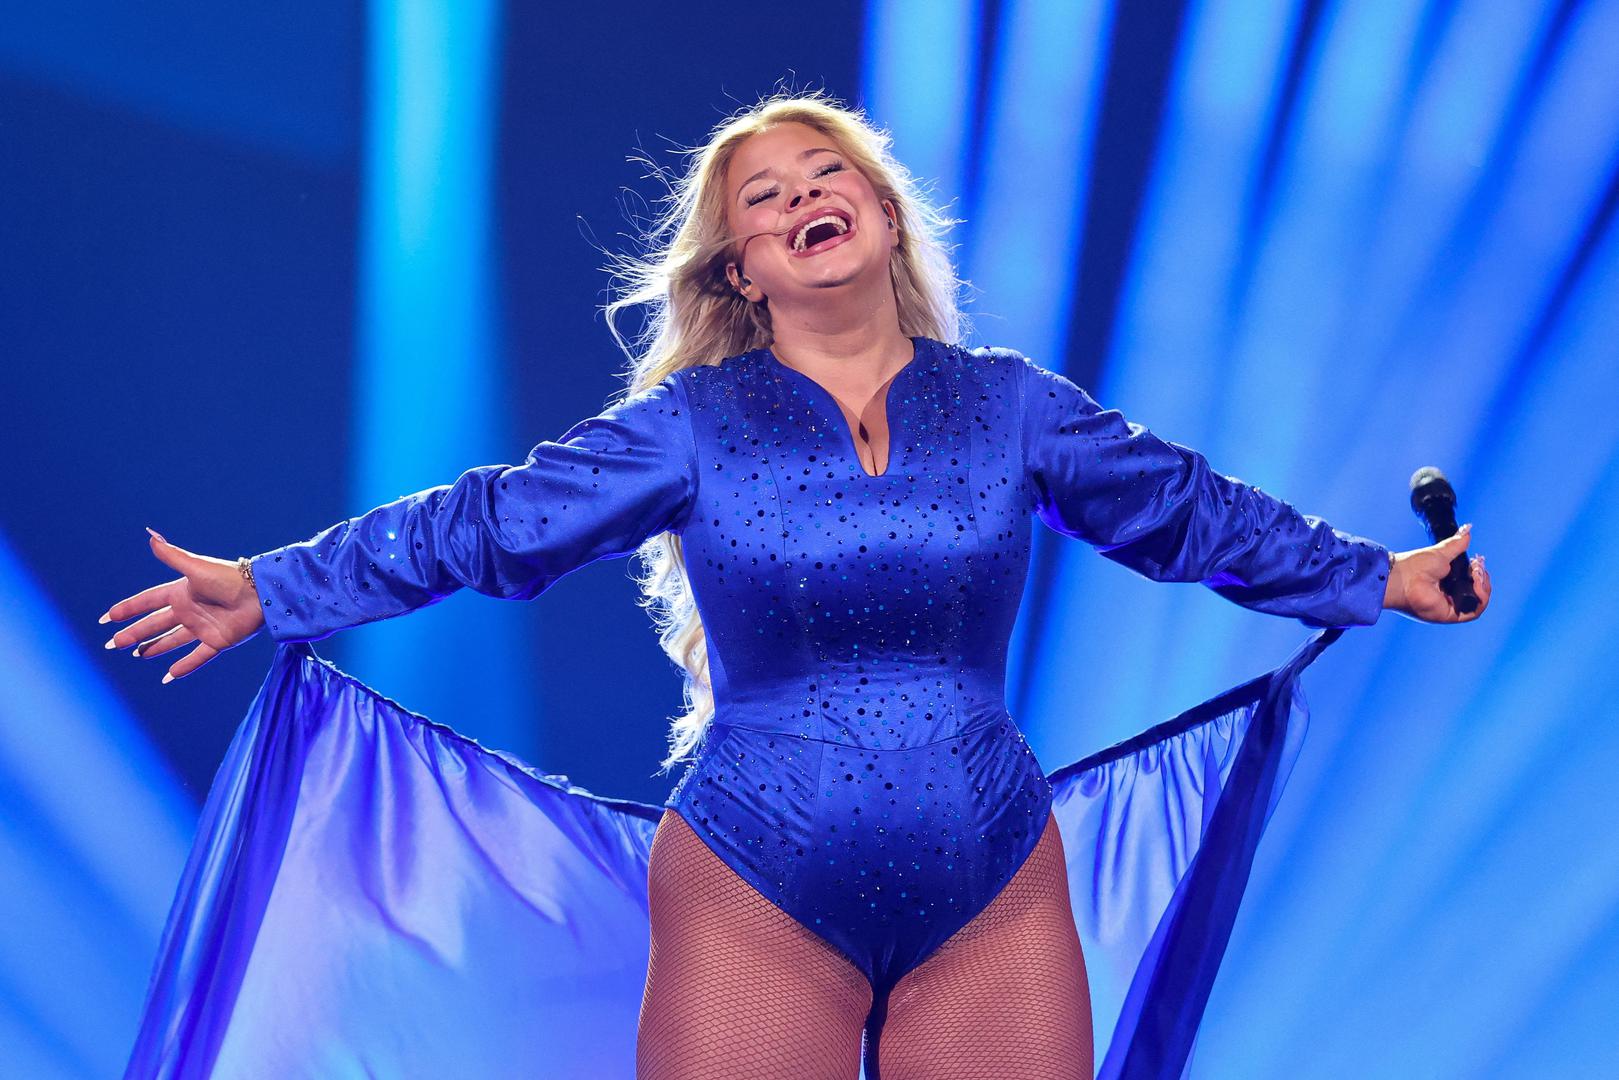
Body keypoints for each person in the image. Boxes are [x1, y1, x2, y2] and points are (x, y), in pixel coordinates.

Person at [101, 91, 1490, 1080]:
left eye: (827, 176)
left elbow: (1188, 512)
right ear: (744, 272)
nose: (802, 200)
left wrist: (1379, 576)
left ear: (882, 213)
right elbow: (492, 522)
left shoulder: (1012, 406)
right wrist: (275, 588)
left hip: (994, 883)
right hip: (757, 882)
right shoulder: (692, 426)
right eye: (764, 201)